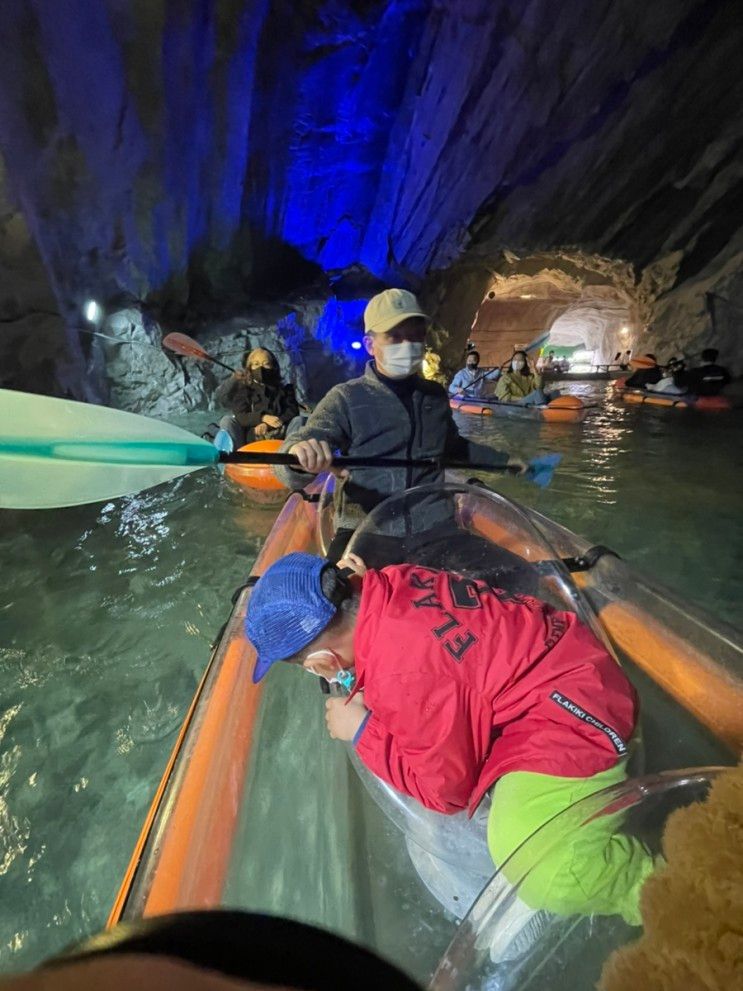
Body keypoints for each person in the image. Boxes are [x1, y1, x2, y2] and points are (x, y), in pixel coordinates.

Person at [246, 552, 653, 925]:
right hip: (575, 664)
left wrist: (363, 732)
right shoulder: (394, 579)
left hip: (580, 720)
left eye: (317, 671)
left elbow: (445, 793)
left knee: (538, 868)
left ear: (322, 662)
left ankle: (654, 892)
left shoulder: (403, 678)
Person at [274, 289, 524, 561]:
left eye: (416, 336)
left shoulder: (435, 396)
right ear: (370, 344)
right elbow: (294, 454)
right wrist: (299, 455)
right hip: (367, 530)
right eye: (394, 336)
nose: (408, 345)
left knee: (517, 575)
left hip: (437, 529)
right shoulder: (346, 397)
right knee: (333, 597)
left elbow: (453, 448)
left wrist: (504, 460)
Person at [214, 347, 299, 450]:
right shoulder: (243, 389)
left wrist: (268, 425)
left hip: (279, 441)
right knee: (227, 420)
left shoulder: (285, 390)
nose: (261, 368)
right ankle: (234, 459)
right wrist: (262, 418)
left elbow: (292, 411)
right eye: (256, 364)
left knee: (299, 420)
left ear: (273, 367)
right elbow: (240, 415)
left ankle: (294, 455)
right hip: (248, 443)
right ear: (250, 367)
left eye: (266, 364)